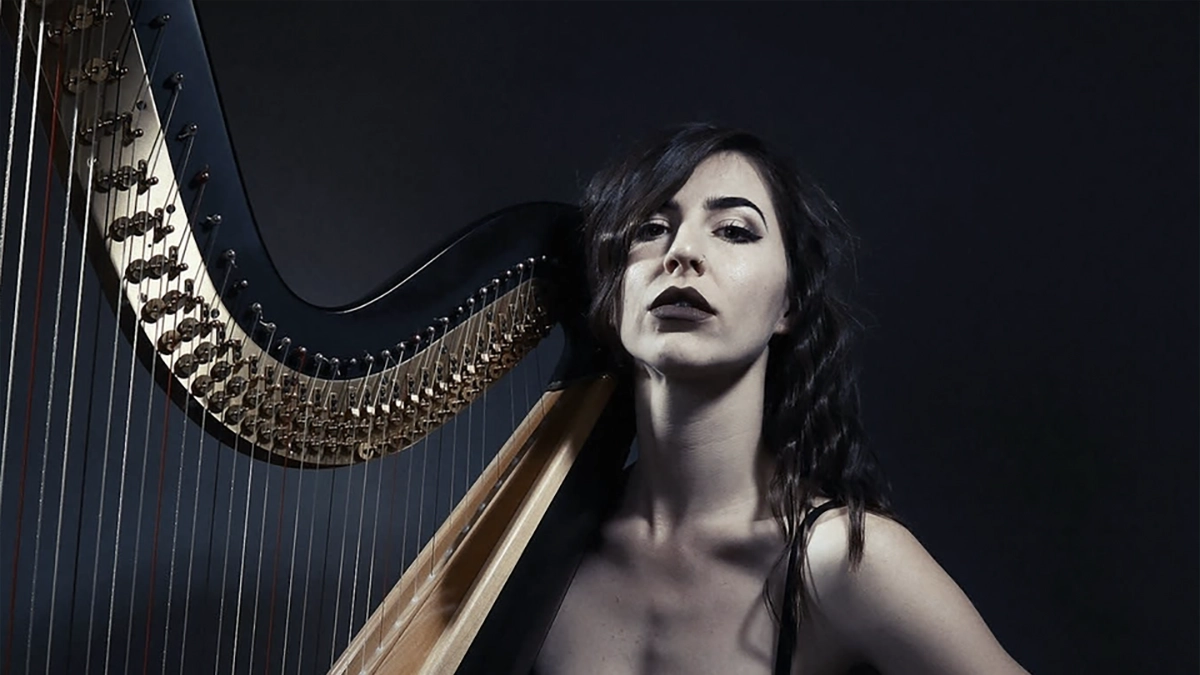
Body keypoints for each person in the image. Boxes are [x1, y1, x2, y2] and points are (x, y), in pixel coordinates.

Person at [531, 124, 1028, 674]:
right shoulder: (534, 554)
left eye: (734, 231)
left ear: (789, 303)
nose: (682, 252)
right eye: (651, 228)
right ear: (610, 295)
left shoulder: (841, 560)